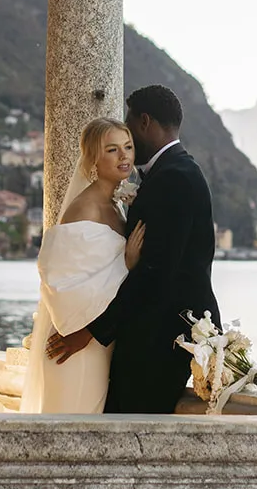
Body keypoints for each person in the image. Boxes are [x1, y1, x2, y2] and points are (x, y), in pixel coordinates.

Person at [47, 84, 220, 413]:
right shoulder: (172, 172)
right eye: (114, 149)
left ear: (144, 122)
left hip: (159, 343)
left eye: (128, 139)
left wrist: (93, 332)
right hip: (149, 338)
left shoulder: (174, 177)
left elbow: (155, 273)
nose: (126, 152)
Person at [20, 118, 145, 414]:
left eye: (128, 147)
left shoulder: (115, 205)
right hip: (75, 343)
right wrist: (127, 264)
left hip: (98, 342)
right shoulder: (85, 207)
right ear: (93, 158)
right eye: (112, 150)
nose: (124, 156)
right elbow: (59, 282)